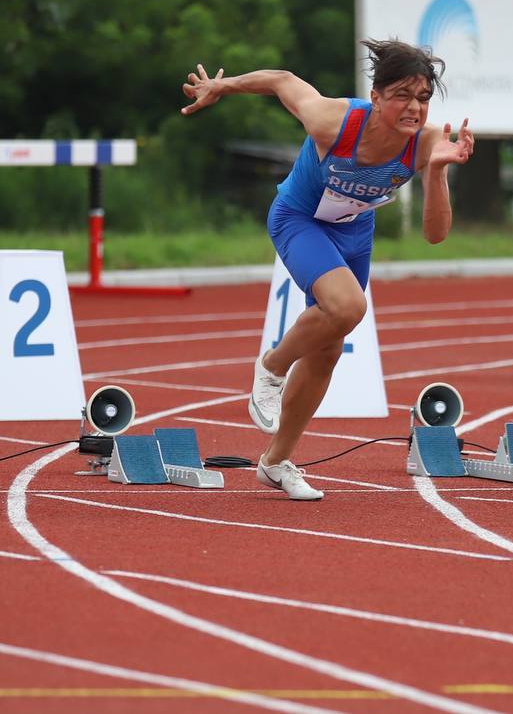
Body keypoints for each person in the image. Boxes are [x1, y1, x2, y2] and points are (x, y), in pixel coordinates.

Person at [181, 40, 473, 500]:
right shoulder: (332, 121)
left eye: (422, 97)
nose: (413, 107)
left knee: (328, 350)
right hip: (299, 218)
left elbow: (436, 235)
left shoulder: (429, 144)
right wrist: (224, 85)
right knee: (348, 306)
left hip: (353, 233)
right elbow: (282, 81)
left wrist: (436, 173)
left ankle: (276, 462)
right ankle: (272, 365)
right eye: (402, 95)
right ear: (375, 97)